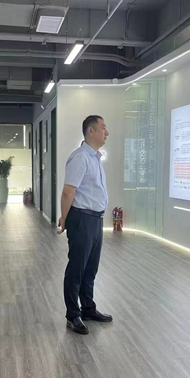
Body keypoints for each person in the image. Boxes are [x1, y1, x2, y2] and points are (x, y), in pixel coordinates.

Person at [57, 115, 113, 335]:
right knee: (77, 269)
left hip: (95, 220)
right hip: (81, 218)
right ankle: (73, 315)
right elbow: (68, 192)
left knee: (91, 268)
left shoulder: (95, 158)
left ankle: (88, 308)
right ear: (91, 131)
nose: (107, 132)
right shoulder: (80, 157)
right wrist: (64, 218)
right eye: (103, 128)